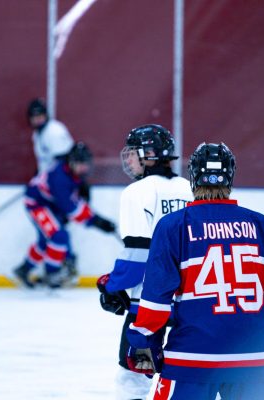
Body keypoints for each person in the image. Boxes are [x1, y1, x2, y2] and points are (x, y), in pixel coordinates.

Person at [125, 142, 264, 400]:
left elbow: (156, 301)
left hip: (190, 361)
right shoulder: (261, 225)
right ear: (230, 176)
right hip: (254, 359)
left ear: (193, 178)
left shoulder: (173, 226)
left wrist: (144, 343)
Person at [96, 124, 193, 399]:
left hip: (149, 306)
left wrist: (112, 285)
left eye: (132, 153)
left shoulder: (137, 192)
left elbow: (138, 256)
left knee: (133, 377)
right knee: (191, 375)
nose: (127, 159)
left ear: (149, 154)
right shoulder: (189, 188)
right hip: (194, 301)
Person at [14, 142, 116, 289]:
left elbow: (74, 203)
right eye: (80, 164)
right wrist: (97, 221)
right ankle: (52, 274)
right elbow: (71, 209)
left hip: (50, 204)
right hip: (37, 204)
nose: (83, 168)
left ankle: (24, 269)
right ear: (72, 162)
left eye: (85, 164)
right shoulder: (60, 178)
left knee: (46, 241)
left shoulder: (72, 172)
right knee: (59, 236)